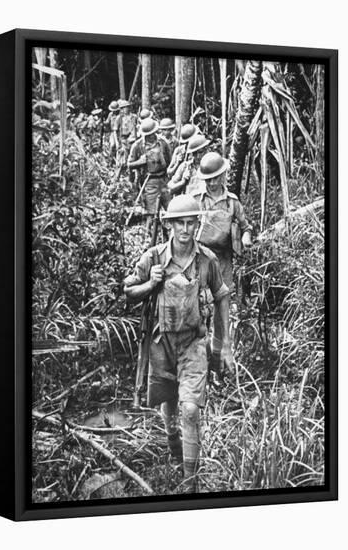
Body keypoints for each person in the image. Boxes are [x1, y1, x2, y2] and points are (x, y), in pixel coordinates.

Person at [124, 195, 234, 492]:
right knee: (169, 403)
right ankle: (175, 451)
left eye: (190, 222)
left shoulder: (206, 260)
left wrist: (222, 346)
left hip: (193, 343)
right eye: (179, 223)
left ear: (197, 224)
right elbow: (128, 290)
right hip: (161, 343)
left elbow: (222, 296)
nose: (185, 229)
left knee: (190, 409)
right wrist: (151, 283)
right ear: (169, 224)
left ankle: (190, 483)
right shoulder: (154, 258)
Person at [191, 152, 252, 379]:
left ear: (224, 175)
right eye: (208, 179)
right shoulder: (197, 199)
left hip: (224, 260)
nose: (213, 182)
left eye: (216, 177)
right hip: (202, 260)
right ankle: (199, 363)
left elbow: (246, 226)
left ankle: (221, 362)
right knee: (199, 309)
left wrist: (245, 238)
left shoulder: (232, 202)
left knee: (221, 309)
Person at [128, 118, 171, 232]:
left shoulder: (163, 143)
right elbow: (129, 164)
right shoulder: (137, 146)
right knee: (150, 214)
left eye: (152, 134)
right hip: (149, 182)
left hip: (164, 180)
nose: (150, 137)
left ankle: (169, 235)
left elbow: (170, 160)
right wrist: (140, 162)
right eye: (147, 135)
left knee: (170, 210)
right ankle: (148, 237)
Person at [113, 99, 138, 178]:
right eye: (123, 108)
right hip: (123, 140)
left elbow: (138, 127)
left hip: (133, 140)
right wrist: (117, 142)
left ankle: (132, 176)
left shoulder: (134, 117)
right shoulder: (119, 118)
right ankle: (119, 177)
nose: (125, 109)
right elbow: (115, 131)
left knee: (133, 159)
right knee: (122, 160)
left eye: (126, 107)